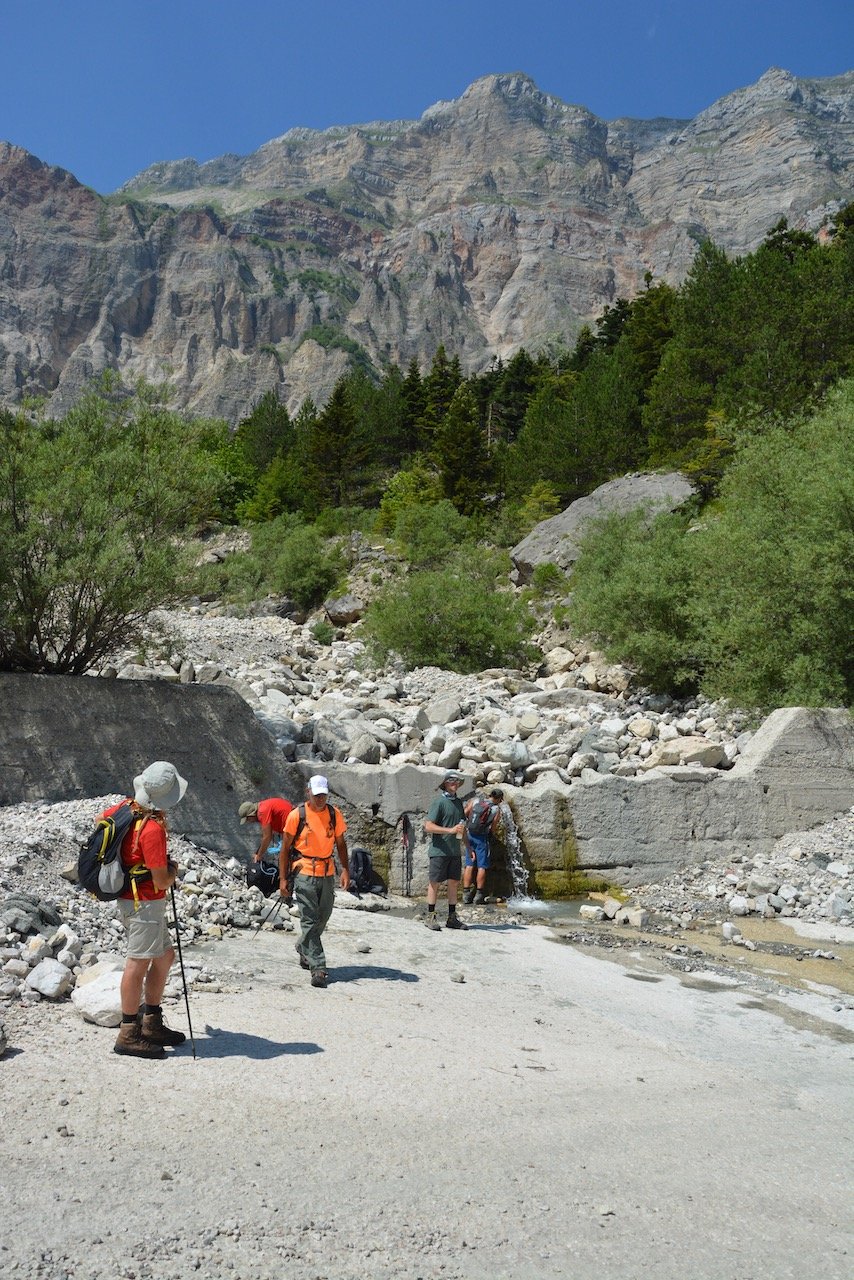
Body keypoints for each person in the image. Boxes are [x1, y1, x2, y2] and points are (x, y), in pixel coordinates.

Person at [111, 760, 189, 1059]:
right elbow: (160, 880)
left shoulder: (123, 810)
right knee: (138, 962)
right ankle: (128, 1033)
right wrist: (173, 871)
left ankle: (151, 1021)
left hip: (133, 900)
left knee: (164, 956)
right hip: (144, 903)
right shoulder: (152, 829)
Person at [280, 775, 349, 988]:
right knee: (309, 919)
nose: (320, 799)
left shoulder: (334, 815)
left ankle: (303, 946)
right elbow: (284, 849)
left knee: (323, 916)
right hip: (304, 871)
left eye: (324, 795)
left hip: (327, 872)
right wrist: (283, 879)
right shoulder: (296, 816)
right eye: (317, 794)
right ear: (308, 791)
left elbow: (341, 843)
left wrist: (345, 869)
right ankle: (318, 967)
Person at [423, 769, 468, 931]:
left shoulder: (458, 803)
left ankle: (451, 918)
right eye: (451, 781)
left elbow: (462, 827)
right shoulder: (439, 802)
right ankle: (430, 916)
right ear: (445, 784)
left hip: (455, 852)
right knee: (434, 883)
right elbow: (428, 826)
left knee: (454, 883)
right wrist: (450, 831)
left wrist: (468, 847)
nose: (454, 784)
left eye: (456, 781)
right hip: (439, 851)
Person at [463, 788, 504, 904]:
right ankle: (479, 895)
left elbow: (465, 813)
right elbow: (493, 827)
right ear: (499, 799)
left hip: (469, 835)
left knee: (469, 864)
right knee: (482, 866)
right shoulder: (496, 809)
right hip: (481, 839)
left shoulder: (476, 801)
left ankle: (466, 894)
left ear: (490, 795)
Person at [238, 796, 295, 862]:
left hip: (294, 827)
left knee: (285, 860)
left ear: (251, 815)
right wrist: (257, 853)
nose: (250, 822)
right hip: (292, 827)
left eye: (248, 819)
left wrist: (259, 855)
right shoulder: (263, 807)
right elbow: (266, 836)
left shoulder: (262, 812)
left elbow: (267, 837)